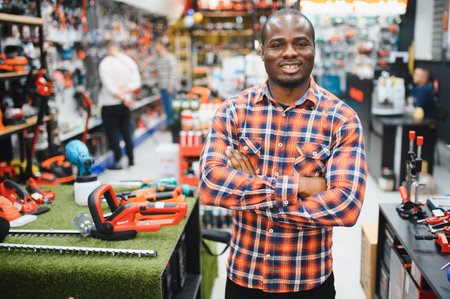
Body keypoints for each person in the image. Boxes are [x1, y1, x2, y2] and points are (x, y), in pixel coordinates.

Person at [199, 9, 367, 298]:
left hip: (309, 283)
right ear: (262, 52)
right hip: (244, 278)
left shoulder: (341, 118)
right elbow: (210, 185)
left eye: (301, 44)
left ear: (314, 49)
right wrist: (303, 186)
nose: (290, 53)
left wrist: (251, 193)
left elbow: (345, 205)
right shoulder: (233, 112)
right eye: (277, 45)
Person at [98, 40, 141, 169]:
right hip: (125, 103)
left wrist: (120, 94)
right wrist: (125, 93)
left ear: (106, 49)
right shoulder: (128, 61)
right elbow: (137, 82)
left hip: (110, 104)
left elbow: (108, 86)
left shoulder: (105, 63)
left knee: (113, 134)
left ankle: (118, 162)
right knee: (127, 132)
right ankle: (131, 160)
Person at [153, 38, 178, 128]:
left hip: (169, 87)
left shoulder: (169, 57)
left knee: (171, 107)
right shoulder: (157, 58)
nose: (155, 47)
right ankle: (169, 124)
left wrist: (170, 86)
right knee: (166, 107)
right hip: (162, 86)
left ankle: (173, 126)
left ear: (161, 46)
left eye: (156, 45)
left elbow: (173, 72)